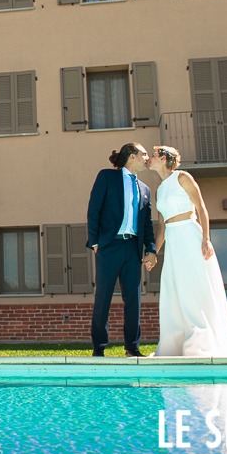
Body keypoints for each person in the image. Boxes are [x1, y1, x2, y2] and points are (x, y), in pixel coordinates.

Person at [146, 145, 227, 357]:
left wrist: (206, 239)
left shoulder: (183, 177)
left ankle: (200, 342)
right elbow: (162, 227)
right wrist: (154, 253)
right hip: (173, 243)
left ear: (164, 158)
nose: (149, 158)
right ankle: (175, 342)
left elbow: (201, 208)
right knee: (175, 290)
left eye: (154, 155)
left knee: (193, 286)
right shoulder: (159, 190)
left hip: (189, 235)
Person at [86, 143, 157, 357]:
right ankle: (99, 348)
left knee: (133, 300)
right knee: (103, 297)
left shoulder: (145, 189)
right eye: (144, 154)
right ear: (132, 157)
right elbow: (94, 210)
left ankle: (132, 347)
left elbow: (147, 224)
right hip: (109, 246)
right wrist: (95, 242)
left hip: (133, 249)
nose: (147, 157)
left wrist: (150, 248)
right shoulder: (107, 177)